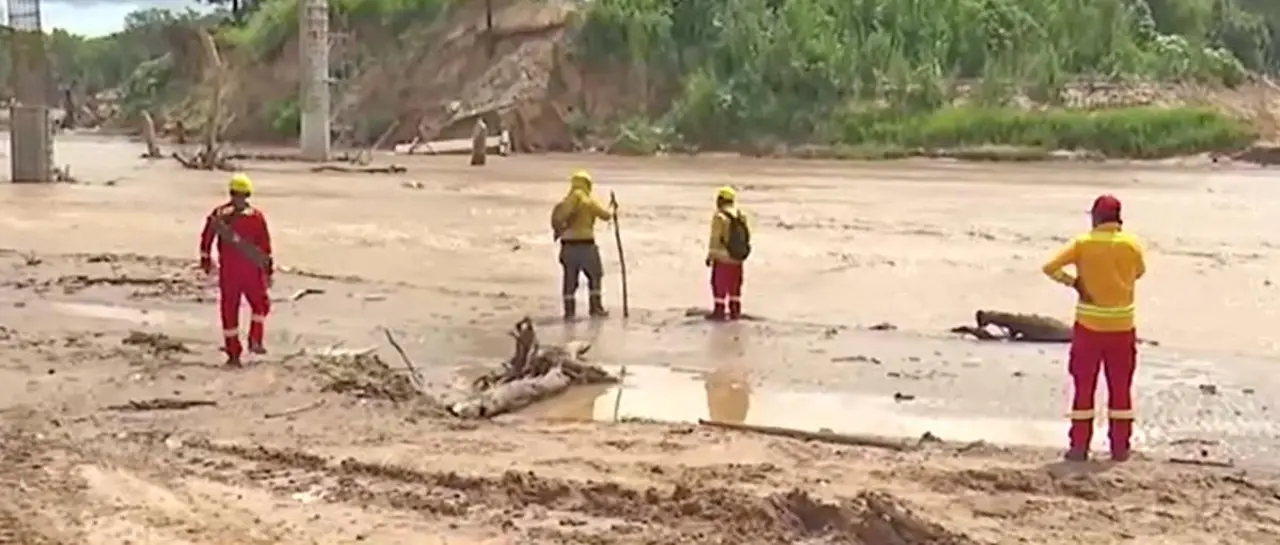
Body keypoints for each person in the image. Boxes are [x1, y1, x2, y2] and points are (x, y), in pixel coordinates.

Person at [1042, 194, 1145, 461]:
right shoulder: (1132, 244)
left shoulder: (1083, 244)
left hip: (1089, 326)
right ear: (1118, 218)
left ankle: (1079, 446)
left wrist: (1074, 283)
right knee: (1121, 388)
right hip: (1123, 327)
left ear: (1096, 218)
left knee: (1084, 387)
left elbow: (1050, 267)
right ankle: (1120, 447)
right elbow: (1139, 272)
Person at [199, 173, 274, 367]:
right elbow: (265, 245)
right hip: (248, 271)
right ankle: (252, 341)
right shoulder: (256, 217)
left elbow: (207, 237)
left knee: (231, 310)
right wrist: (268, 269)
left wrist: (206, 259)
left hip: (231, 272)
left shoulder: (219, 215)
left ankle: (236, 351)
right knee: (259, 305)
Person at [549, 170, 612, 320]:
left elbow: (557, 221)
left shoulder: (565, 202)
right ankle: (595, 309)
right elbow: (605, 215)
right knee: (595, 276)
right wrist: (613, 209)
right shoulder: (586, 200)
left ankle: (569, 313)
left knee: (569, 280)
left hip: (567, 247)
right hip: (586, 245)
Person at [705, 186, 751, 321]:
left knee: (718, 283)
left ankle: (719, 311)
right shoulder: (741, 215)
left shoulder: (719, 216)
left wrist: (710, 256)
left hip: (723, 257)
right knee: (735, 284)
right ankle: (735, 310)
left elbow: (715, 238)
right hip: (738, 257)